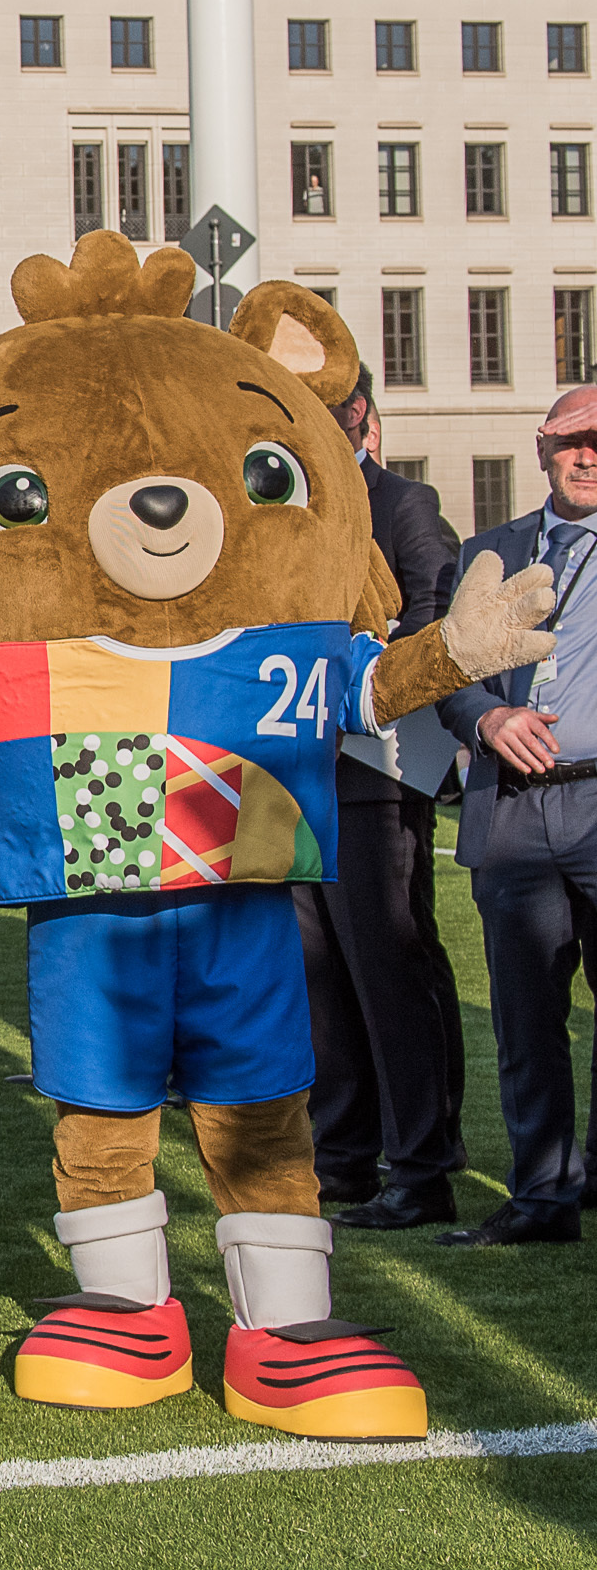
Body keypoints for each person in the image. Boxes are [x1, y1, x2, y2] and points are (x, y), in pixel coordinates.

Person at [296, 368, 466, 1229]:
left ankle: (422, 1165)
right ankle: (344, 1158)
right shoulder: (286, 501)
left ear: (356, 411)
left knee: (387, 970)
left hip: (378, 768)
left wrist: (357, 656)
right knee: (320, 978)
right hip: (296, 771)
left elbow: (438, 616)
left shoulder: (402, 502)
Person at [440, 382, 597, 1247]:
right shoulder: (490, 549)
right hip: (513, 807)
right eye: (571, 440)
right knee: (525, 1018)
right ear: (539, 447)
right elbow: (443, 664)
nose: (586, 456)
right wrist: (484, 716)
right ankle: (541, 1198)